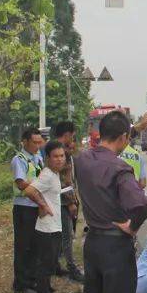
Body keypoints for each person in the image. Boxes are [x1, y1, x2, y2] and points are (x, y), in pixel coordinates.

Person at [73, 111, 147, 293]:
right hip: (115, 246)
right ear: (123, 138)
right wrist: (131, 226)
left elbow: (112, 138)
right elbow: (141, 205)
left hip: (92, 243)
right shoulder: (119, 169)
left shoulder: (82, 160)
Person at [24, 140, 66, 293]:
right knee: (46, 264)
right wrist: (43, 205)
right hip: (47, 228)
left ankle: (47, 291)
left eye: (62, 156)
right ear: (47, 158)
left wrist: (44, 203)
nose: (60, 159)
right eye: (55, 156)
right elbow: (29, 190)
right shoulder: (47, 174)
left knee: (50, 262)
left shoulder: (54, 174)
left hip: (54, 226)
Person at [10, 127, 45, 293]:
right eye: (34, 142)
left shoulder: (38, 158)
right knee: (23, 246)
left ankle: (32, 280)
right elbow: (21, 183)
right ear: (25, 142)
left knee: (35, 245)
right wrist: (38, 197)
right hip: (24, 207)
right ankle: (21, 284)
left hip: (35, 207)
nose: (38, 145)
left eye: (40, 142)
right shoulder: (20, 159)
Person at [52, 121, 83, 282]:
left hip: (62, 199)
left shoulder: (56, 150)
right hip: (63, 201)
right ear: (67, 134)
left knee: (60, 235)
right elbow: (64, 180)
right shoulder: (60, 153)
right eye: (72, 135)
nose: (73, 138)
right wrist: (71, 202)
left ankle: (56, 265)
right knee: (67, 236)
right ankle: (72, 268)